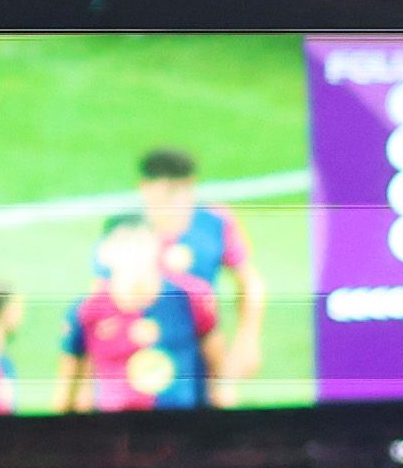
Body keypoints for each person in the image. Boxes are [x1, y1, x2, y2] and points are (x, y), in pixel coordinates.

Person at [61, 149, 261, 412]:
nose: (179, 201)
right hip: (137, 356)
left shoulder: (213, 221)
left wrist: (248, 339)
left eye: (185, 190)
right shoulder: (127, 234)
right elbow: (95, 314)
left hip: (195, 341)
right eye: (169, 192)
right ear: (145, 188)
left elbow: (248, 281)